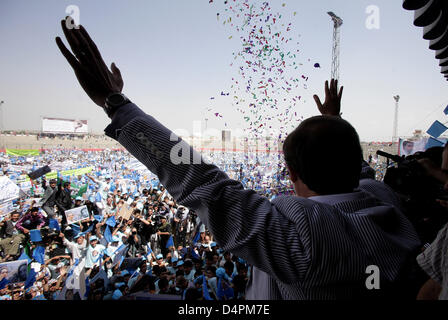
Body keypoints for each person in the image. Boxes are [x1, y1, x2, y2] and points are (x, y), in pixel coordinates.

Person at [56, 21, 421, 299]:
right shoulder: (386, 201)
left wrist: (114, 102)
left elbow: (202, 182)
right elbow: (357, 169)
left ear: (290, 173)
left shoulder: (300, 241)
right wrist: (333, 125)